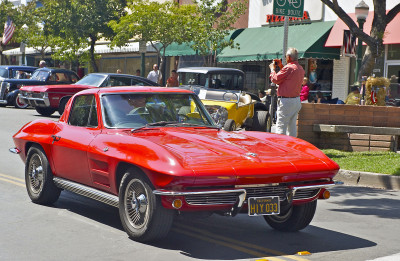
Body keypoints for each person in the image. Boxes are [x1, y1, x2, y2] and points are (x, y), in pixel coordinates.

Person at [269, 47, 305, 137]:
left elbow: (275, 79)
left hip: (286, 101)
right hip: (296, 100)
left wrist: (272, 69)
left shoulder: (288, 68)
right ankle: (291, 147)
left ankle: (280, 147)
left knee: (281, 125)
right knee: (292, 126)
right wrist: (281, 66)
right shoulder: (300, 68)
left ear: (288, 57)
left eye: (285, 57)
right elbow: (287, 76)